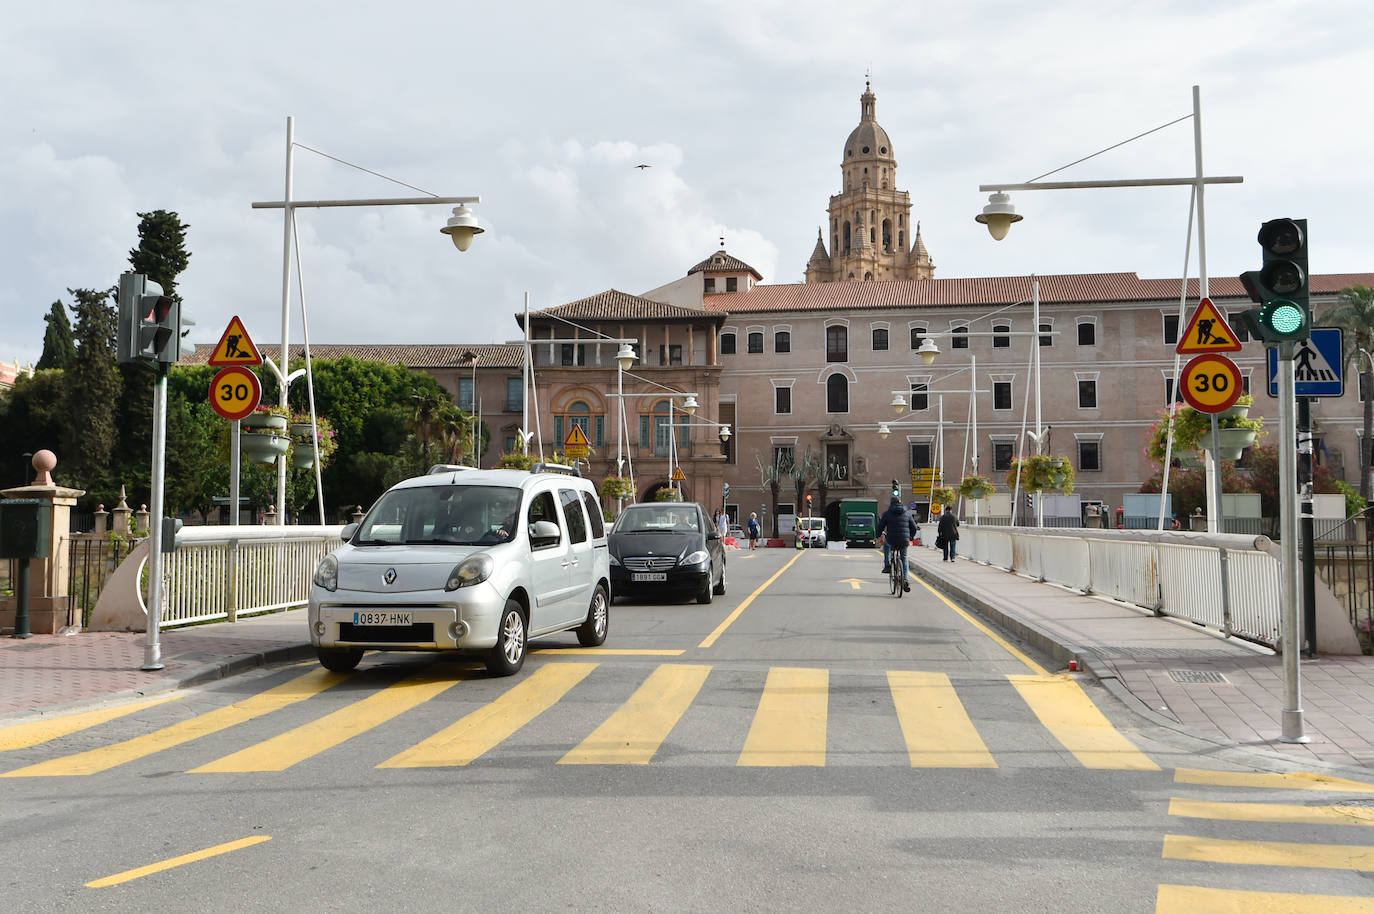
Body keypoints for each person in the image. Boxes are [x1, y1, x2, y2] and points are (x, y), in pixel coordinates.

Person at [875, 497, 918, 590]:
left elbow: (880, 527)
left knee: (886, 546)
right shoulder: (907, 513)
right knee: (904, 558)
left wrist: (877, 535)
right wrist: (910, 537)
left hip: (891, 539)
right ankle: (906, 579)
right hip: (904, 540)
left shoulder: (887, 514)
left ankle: (887, 565)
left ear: (891, 504)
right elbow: (914, 527)